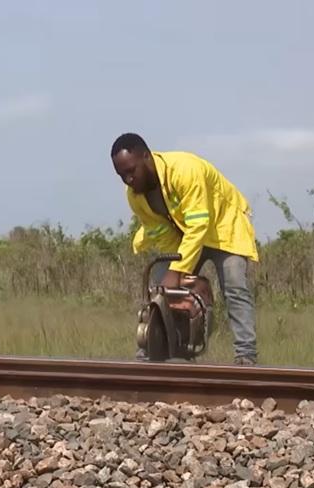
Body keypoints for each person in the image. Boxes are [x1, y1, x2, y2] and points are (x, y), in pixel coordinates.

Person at [110, 133, 259, 365]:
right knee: (160, 290)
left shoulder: (185, 169)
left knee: (234, 288)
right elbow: (163, 235)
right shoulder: (136, 197)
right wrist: (175, 273)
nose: (128, 179)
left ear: (146, 157)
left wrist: (178, 270)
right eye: (121, 175)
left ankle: (246, 355)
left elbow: (200, 224)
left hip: (224, 226)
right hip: (186, 233)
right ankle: (159, 351)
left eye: (131, 171)